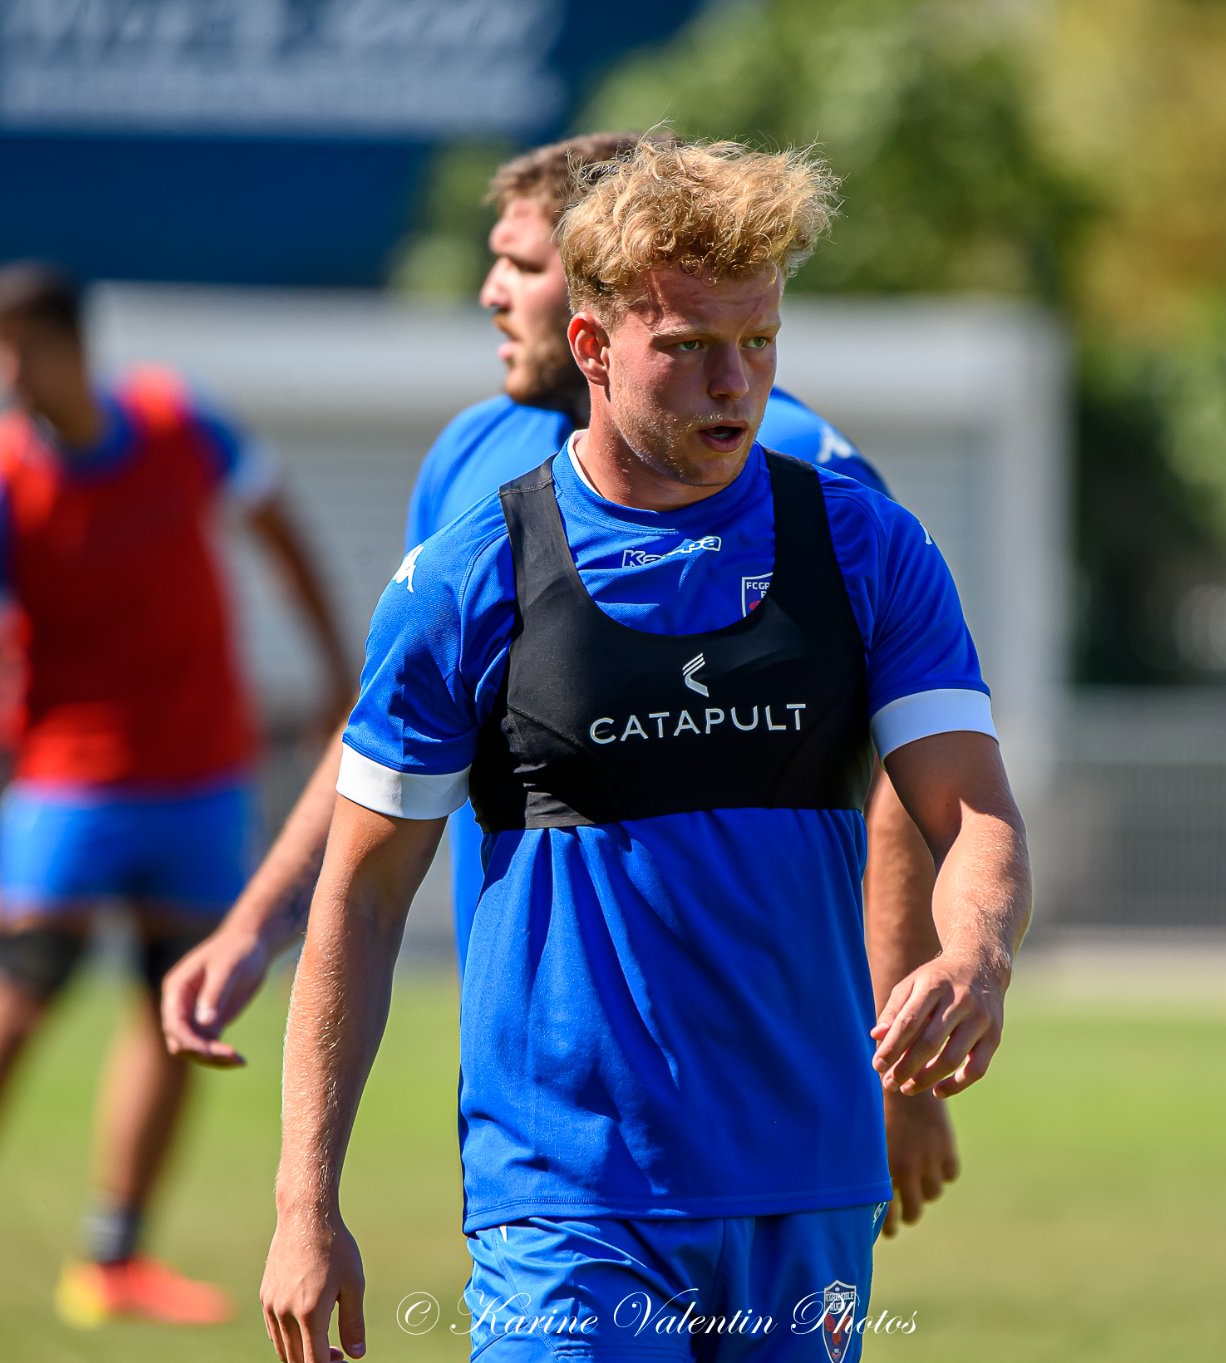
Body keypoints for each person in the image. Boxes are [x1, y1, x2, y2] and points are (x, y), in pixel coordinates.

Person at [258, 138, 1030, 1363]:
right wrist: (306, 1202)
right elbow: (358, 894)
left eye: (759, 343)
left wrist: (974, 957)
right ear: (591, 347)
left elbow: (969, 811)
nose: (735, 383)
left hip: (807, 1182)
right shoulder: (472, 575)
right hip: (568, 1195)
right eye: (687, 348)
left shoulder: (865, 549)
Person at [0, 262, 352, 1335]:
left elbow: (285, 538)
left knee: (173, 1002)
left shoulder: (182, 427)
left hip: (199, 775)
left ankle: (114, 1258)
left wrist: (334, 670)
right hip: (66, 784)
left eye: (17, 347)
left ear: (72, 345)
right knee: (22, 982)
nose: (1, 372)